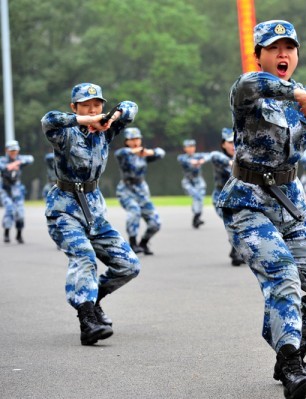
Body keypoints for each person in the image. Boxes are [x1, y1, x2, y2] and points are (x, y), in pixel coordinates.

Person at [216, 20, 306, 399]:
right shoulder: (248, 90)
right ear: (259, 55)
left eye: (290, 48)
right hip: (247, 203)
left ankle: (289, 350)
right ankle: (292, 362)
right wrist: (301, 97)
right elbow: (257, 85)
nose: (284, 54)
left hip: (290, 203)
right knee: (283, 276)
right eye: (274, 48)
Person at [41, 82, 141, 345]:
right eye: (86, 105)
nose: (93, 109)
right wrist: (83, 119)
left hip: (94, 211)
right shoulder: (64, 133)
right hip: (64, 209)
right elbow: (48, 119)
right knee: (84, 256)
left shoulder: (105, 132)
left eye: (97, 105)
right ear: (75, 107)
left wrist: (110, 118)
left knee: (129, 266)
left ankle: (93, 299)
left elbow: (131, 108)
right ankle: (87, 319)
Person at [114, 127, 165, 255]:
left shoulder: (143, 155)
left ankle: (144, 243)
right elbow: (120, 153)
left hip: (141, 190)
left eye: (137, 138)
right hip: (126, 190)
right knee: (134, 211)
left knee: (155, 223)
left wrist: (149, 153)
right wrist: (135, 151)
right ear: (127, 141)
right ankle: (133, 243)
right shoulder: (124, 154)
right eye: (132, 139)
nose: (135, 141)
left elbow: (161, 152)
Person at [207, 128, 244, 266]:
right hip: (221, 198)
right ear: (223, 144)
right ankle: (236, 252)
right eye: (229, 142)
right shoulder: (218, 156)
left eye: (235, 141)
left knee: (242, 224)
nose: (233, 145)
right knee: (233, 223)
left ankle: (237, 250)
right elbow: (215, 157)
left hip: (238, 198)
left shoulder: (243, 156)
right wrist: (233, 163)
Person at [0, 140, 34, 244]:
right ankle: (6, 233)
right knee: (9, 209)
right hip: (5, 189)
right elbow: (3, 167)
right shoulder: (2, 160)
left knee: (20, 213)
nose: (13, 153)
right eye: (11, 151)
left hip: (17, 189)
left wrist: (17, 162)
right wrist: (8, 167)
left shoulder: (20, 159)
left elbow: (30, 159)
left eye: (15, 150)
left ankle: (19, 234)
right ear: (7, 151)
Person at [177, 139, 209, 228]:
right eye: (189, 147)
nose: (191, 149)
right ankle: (196, 217)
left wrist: (203, 160)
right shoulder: (182, 157)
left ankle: (196, 218)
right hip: (188, 182)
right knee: (196, 196)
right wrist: (192, 161)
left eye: (192, 146)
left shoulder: (198, 156)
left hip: (198, 181)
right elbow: (182, 160)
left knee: (201, 200)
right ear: (185, 148)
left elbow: (208, 156)